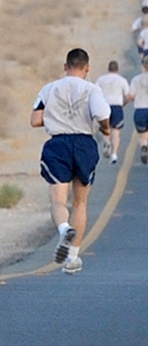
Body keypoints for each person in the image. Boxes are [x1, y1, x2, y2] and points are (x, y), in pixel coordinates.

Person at [31, 48, 111, 274]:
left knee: (58, 201)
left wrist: (56, 117)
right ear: (87, 68)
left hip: (58, 144)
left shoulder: (49, 89)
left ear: (65, 67)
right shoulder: (92, 89)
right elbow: (103, 115)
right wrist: (105, 130)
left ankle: (64, 228)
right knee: (80, 203)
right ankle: (73, 258)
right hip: (84, 143)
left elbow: (35, 120)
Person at [94, 60, 130, 164]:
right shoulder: (122, 80)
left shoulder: (101, 79)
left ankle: (106, 142)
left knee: (105, 128)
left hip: (104, 106)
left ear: (108, 69)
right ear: (117, 69)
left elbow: (95, 93)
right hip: (117, 106)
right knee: (116, 132)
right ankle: (114, 154)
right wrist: (123, 104)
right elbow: (127, 96)